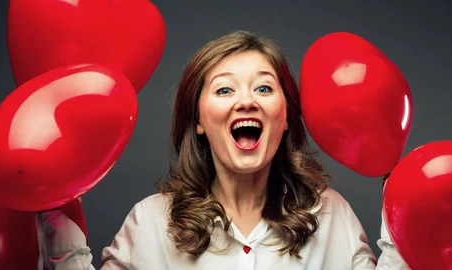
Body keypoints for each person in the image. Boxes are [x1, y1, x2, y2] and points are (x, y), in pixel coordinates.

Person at [37, 30, 410, 270]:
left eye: (264, 88)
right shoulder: (149, 223)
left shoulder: (332, 215)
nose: (246, 101)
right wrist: (54, 210)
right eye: (225, 90)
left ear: (284, 118)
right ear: (199, 119)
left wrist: (406, 211)